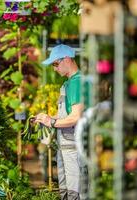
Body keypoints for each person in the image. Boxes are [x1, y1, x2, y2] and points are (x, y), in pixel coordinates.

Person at [34, 44, 83, 200]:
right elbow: (66, 115)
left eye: (55, 64)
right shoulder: (68, 83)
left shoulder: (76, 83)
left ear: (67, 59)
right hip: (66, 145)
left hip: (74, 146)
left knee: (76, 189)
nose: (54, 69)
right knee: (67, 188)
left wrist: (52, 123)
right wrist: (47, 118)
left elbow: (76, 117)